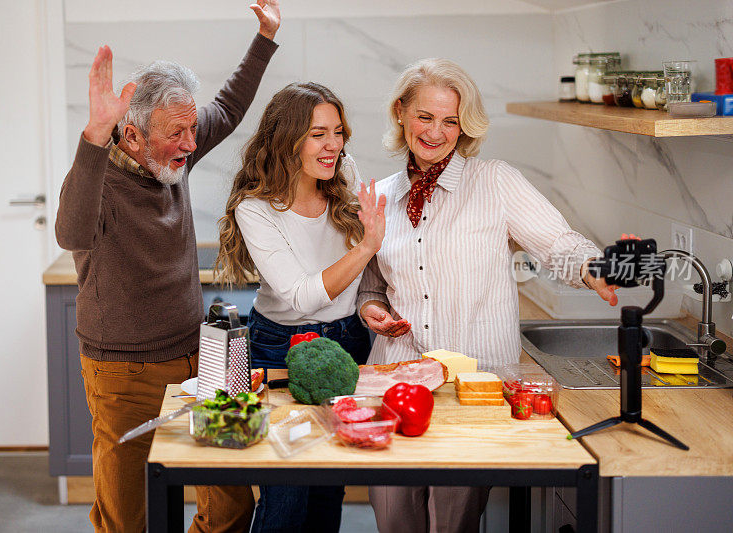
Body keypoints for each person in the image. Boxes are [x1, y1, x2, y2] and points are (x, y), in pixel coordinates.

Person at [357, 58, 617, 533]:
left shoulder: (494, 181)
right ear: (401, 113)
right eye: (425, 116)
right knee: (394, 517)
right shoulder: (382, 195)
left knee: (453, 521)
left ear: (465, 126)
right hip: (394, 378)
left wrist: (590, 266)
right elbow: (374, 283)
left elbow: (557, 242)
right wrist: (371, 308)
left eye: (451, 121)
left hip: (474, 385)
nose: (436, 132)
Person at [54, 2, 281, 531]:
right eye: (176, 133)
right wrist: (92, 136)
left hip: (199, 359)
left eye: (191, 130)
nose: (191, 144)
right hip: (122, 372)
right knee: (127, 517)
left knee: (230, 502)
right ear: (130, 136)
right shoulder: (98, 181)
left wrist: (265, 37)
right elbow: (70, 233)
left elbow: (227, 106)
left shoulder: (175, 153)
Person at [215, 81, 385, 532]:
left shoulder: (345, 175)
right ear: (287, 140)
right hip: (278, 346)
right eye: (317, 134)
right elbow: (301, 295)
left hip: (347, 341)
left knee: (330, 481)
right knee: (287, 485)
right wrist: (367, 246)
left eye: (338, 131)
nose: (334, 146)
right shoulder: (257, 208)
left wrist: (369, 304)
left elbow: (361, 277)